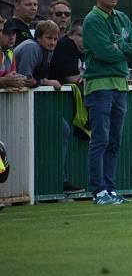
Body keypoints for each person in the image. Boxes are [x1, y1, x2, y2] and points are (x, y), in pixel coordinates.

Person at [83, 0, 132, 205]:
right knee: (100, 139)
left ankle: (110, 188)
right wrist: (121, 50)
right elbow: (103, 52)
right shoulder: (92, 20)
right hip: (99, 86)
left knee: (115, 140)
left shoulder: (123, 18)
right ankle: (98, 191)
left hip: (120, 84)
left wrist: (120, 47)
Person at [47, 18, 88, 194]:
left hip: (63, 103)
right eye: (81, 36)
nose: (85, 40)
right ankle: (56, 182)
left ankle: (64, 181)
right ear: (71, 35)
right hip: (48, 101)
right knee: (62, 132)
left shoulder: (85, 51)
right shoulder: (66, 46)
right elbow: (74, 79)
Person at [14, 19, 61, 89]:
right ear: (38, 37)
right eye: (49, 38)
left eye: (55, 39)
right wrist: (46, 82)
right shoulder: (31, 47)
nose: (52, 43)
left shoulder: (48, 50)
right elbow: (24, 79)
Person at [0, 22, 27, 89]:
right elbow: (6, 80)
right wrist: (4, 81)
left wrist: (17, 80)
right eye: (7, 33)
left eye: (14, 33)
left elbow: (11, 77)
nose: (11, 37)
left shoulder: (11, 52)